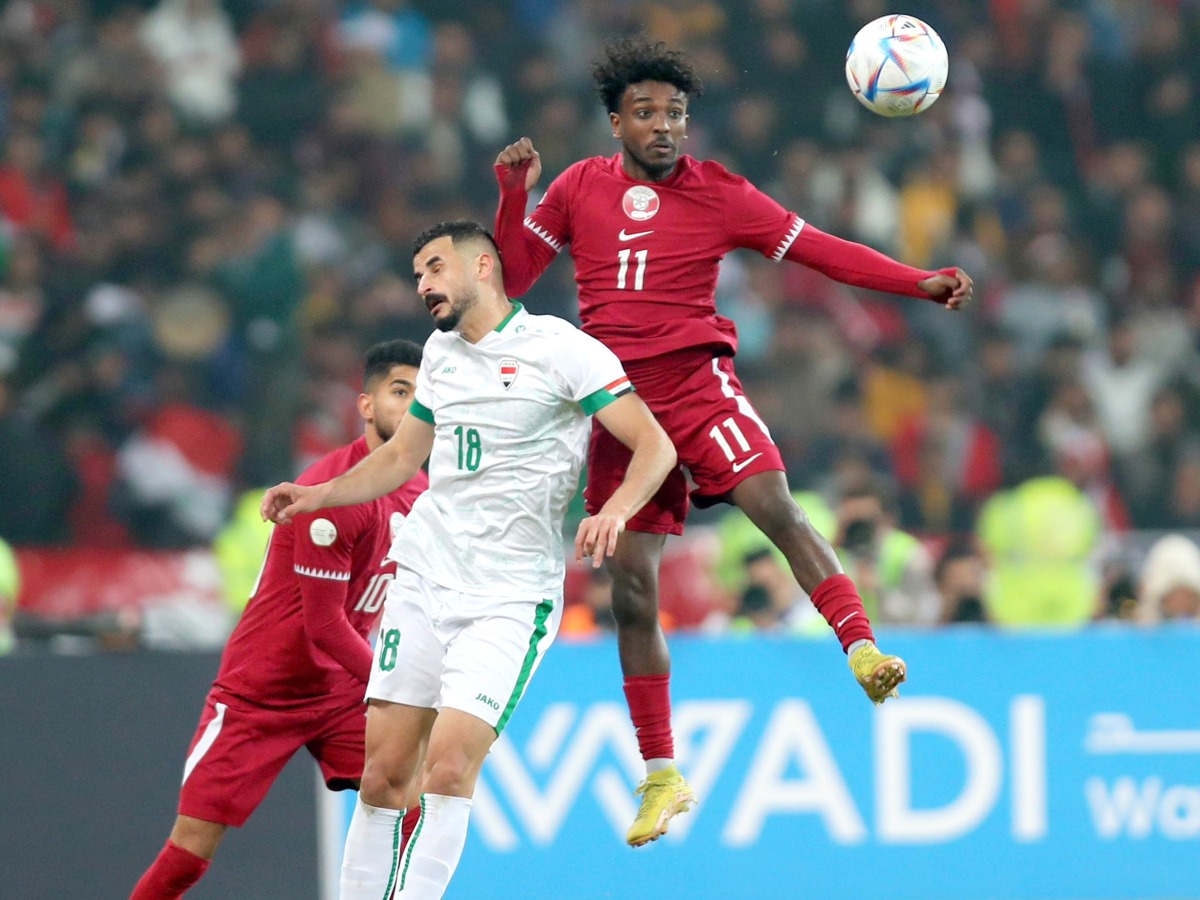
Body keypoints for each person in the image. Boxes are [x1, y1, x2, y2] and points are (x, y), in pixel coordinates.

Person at [493, 37, 974, 844]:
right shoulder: (577, 187)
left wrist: (914, 282)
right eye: (645, 112)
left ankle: (861, 649)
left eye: (676, 113)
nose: (664, 126)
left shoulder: (722, 193)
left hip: (695, 385)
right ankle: (661, 775)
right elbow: (508, 279)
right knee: (632, 591)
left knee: (775, 507)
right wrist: (514, 196)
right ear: (616, 121)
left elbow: (824, 250)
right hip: (619, 407)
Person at [259, 221, 676, 898]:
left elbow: (655, 445)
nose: (422, 285)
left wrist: (615, 509)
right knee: (384, 776)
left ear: (482, 266)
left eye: (433, 268)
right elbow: (399, 459)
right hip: (425, 576)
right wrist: (316, 495)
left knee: (449, 769)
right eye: (417, 274)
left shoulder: (562, 350)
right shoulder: (441, 354)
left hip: (509, 598)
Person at [130, 339, 429, 899]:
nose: (413, 405)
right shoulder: (335, 492)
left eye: (423, 394)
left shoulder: (423, 492)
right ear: (365, 405)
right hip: (261, 692)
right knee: (189, 855)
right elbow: (324, 627)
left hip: (339, 689)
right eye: (399, 391)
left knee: (413, 804)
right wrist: (396, 687)